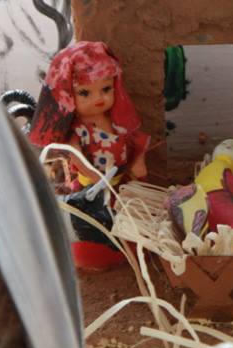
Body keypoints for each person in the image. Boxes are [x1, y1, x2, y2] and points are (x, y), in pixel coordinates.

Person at [29, 41, 149, 270]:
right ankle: (99, 258)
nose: (98, 98)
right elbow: (75, 155)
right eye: (85, 93)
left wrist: (138, 162)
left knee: (128, 223)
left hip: (119, 185)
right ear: (68, 95)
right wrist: (95, 177)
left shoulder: (116, 122)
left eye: (106, 89)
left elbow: (133, 143)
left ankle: (126, 254)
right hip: (90, 190)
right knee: (94, 227)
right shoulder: (78, 129)